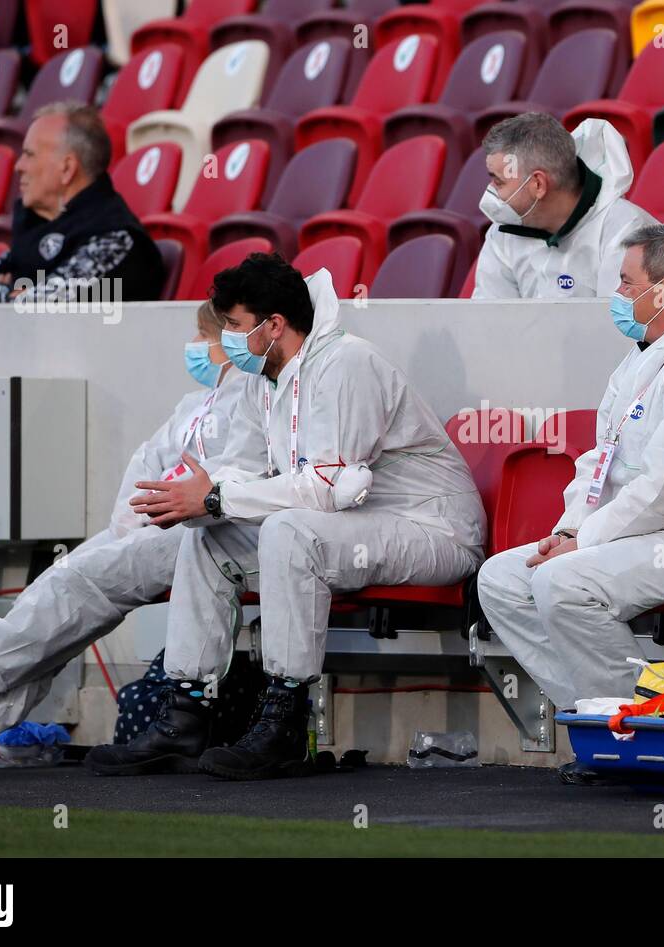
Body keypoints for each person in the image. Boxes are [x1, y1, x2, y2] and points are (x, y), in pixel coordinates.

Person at [85, 254, 486, 780]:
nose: (227, 338)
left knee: (289, 529)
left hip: (433, 529)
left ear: (274, 325)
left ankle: (286, 722)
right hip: (354, 529)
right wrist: (194, 500)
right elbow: (241, 473)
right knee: (210, 541)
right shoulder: (264, 380)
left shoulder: (347, 364)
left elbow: (325, 488)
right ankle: (184, 714)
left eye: (233, 325)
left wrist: (215, 498)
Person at [0, 302, 245, 776]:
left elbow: (228, 483)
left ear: (230, 338)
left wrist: (136, 533)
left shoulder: (252, 401)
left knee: (77, 586)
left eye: (203, 333)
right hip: (154, 526)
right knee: (57, 586)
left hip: (209, 533)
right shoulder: (194, 405)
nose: (195, 346)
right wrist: (123, 532)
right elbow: (145, 468)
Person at [476, 224, 664, 784]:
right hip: (656, 530)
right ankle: (604, 720)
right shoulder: (643, 357)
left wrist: (583, 545)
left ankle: (636, 738)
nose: (616, 294)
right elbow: (600, 462)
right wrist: (567, 530)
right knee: (503, 577)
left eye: (626, 281)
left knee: (562, 584)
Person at [0, 102, 164, 304]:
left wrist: (11, 290)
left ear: (67, 168)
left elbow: (39, 306)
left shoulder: (115, 238)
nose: (19, 166)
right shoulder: (37, 226)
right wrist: (15, 291)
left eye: (29, 155)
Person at [472, 113, 656, 299]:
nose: (490, 191)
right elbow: (488, 319)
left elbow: (620, 324)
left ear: (538, 184)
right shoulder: (503, 232)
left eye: (499, 182)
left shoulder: (627, 233)